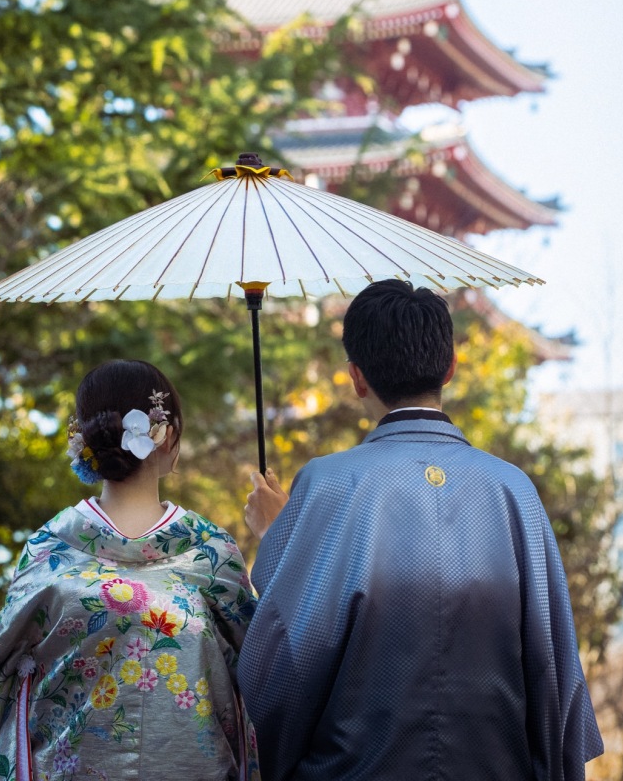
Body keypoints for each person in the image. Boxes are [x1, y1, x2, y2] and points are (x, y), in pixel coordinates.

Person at [238, 280, 604, 781]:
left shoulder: (329, 484)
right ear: (450, 367)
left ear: (356, 377)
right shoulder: (512, 490)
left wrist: (277, 533)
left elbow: (288, 659)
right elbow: (554, 663)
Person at [0, 359, 258, 781]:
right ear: (168, 435)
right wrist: (277, 536)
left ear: (84, 439)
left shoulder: (49, 550)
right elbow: (264, 669)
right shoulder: (211, 553)